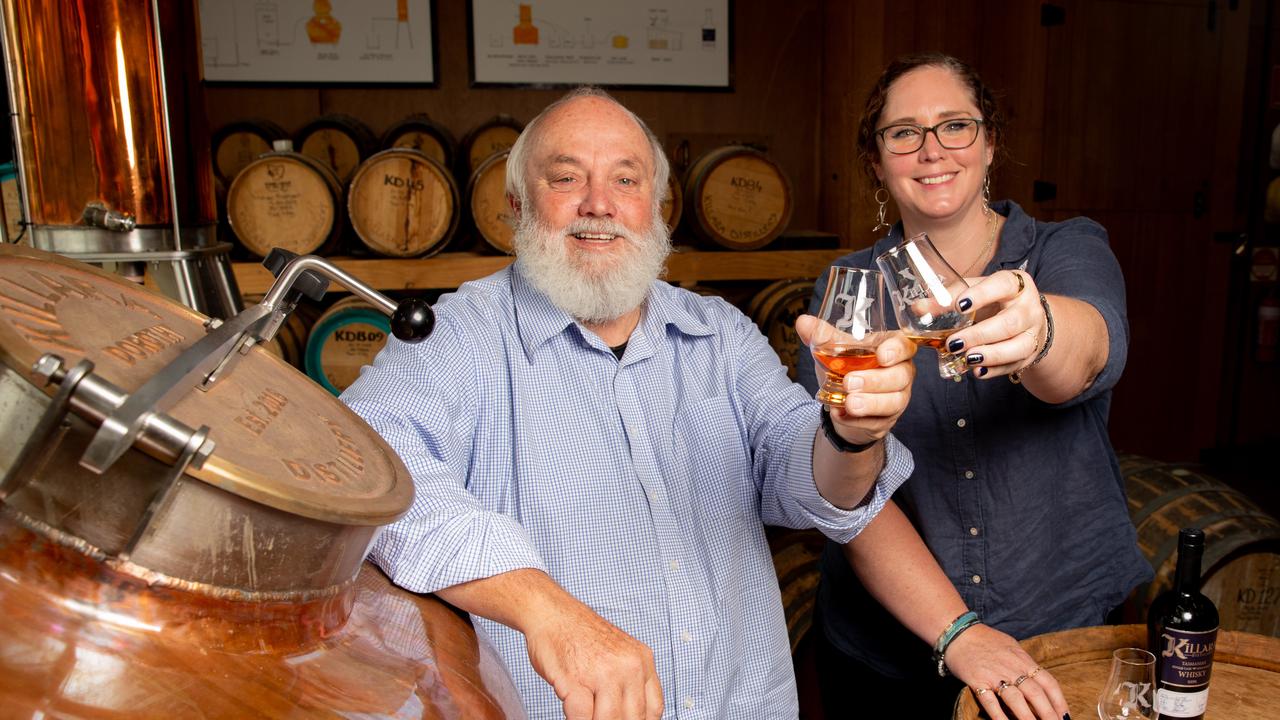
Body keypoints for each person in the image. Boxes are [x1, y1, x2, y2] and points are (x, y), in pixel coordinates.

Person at [341, 87, 920, 720]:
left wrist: (851, 435)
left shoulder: (718, 334)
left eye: (625, 179)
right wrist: (546, 611)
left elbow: (813, 485)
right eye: (566, 178)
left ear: (657, 206)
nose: (599, 205)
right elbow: (364, 467)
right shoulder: (461, 335)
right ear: (516, 206)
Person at [797, 53, 1153, 720]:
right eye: (903, 132)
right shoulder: (849, 288)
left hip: (1064, 631)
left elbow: (1086, 354)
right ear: (877, 162)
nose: (932, 150)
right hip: (890, 651)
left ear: (991, 143)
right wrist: (853, 435)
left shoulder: (1065, 250)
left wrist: (1038, 328)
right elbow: (844, 497)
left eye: (955, 126)